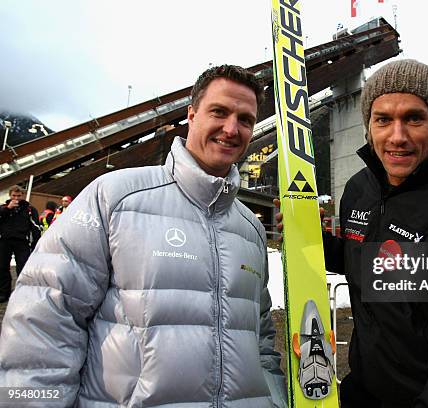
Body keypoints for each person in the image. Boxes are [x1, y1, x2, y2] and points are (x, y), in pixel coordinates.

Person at [0, 65, 287, 407]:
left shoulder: (250, 228)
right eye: (219, 112)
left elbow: (261, 341)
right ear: (192, 115)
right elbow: (44, 318)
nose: (231, 128)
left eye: (244, 119)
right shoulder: (115, 197)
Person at [279, 59, 428, 407]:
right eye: (383, 119)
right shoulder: (360, 189)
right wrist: (310, 239)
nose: (397, 136)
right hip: (362, 388)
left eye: (414, 118)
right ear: (369, 127)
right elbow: (362, 261)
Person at [0, 185, 40, 303]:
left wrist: (35, 244)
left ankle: (23, 292)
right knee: (2, 267)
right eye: (14, 195)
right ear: (10, 195)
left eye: (19, 195)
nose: (16, 198)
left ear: (23, 195)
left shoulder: (29, 209)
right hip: (4, 241)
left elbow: (36, 227)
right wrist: (7, 209)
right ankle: (3, 293)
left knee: (23, 267)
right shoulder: (3, 208)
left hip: (22, 241)